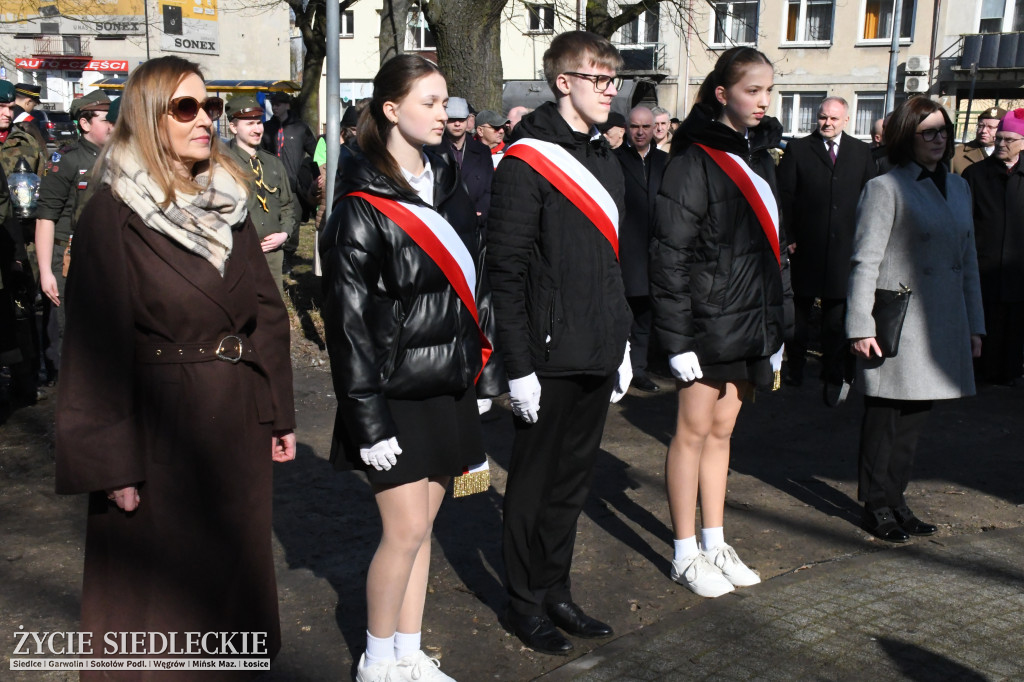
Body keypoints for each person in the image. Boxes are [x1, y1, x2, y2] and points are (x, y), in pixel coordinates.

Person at [54, 56, 297, 677]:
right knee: (162, 611)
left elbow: (265, 312)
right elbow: (93, 348)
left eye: (208, 106)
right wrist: (111, 461)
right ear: (147, 117)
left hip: (237, 421)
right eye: (186, 108)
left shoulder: (229, 202)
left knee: (232, 592)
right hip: (158, 430)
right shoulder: (112, 213)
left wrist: (278, 411)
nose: (205, 120)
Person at [319, 54, 502, 682]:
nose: (444, 113)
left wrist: (484, 377)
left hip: (448, 383)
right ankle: (376, 659)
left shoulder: (447, 180)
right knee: (403, 532)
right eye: (430, 102)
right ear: (391, 110)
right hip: (392, 394)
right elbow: (349, 327)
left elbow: (476, 286)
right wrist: (367, 423)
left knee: (425, 529)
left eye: (446, 101)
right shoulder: (360, 204)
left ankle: (408, 650)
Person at [489, 30, 631, 656]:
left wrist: (622, 342)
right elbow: (506, 272)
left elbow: (612, 261)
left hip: (597, 347)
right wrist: (517, 368)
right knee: (531, 488)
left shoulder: (605, 157)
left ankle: (556, 590)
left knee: (572, 484)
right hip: (545, 358)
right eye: (598, 78)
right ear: (563, 82)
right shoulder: (526, 161)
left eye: (613, 79)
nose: (610, 90)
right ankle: (523, 602)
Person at [652, 46, 787, 598]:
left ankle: (715, 540)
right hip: (705, 323)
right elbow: (670, 255)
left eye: (769, 90)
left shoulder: (762, 158)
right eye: (753, 90)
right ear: (722, 94)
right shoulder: (692, 161)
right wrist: (677, 339)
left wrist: (779, 327)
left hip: (749, 321)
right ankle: (684, 551)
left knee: (723, 432)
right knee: (691, 433)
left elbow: (776, 251)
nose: (763, 101)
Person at [846, 97, 984, 543]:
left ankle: (896, 498)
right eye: (929, 132)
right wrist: (859, 325)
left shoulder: (959, 188)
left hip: (940, 322)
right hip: (897, 322)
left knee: (914, 420)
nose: (939, 139)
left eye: (944, 130)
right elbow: (864, 260)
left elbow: (968, 260)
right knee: (885, 417)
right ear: (908, 136)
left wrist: (974, 324)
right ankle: (876, 505)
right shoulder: (885, 188)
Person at [777, 96, 875, 393]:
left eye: (833, 118)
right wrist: (789, 237)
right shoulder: (798, 149)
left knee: (837, 317)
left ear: (846, 120)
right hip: (806, 248)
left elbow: (869, 198)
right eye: (822, 117)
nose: (827, 123)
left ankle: (833, 370)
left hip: (845, 249)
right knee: (799, 316)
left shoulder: (860, 152)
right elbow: (784, 197)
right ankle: (794, 369)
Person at [34, 90, 113, 385]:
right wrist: (46, 272)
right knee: (67, 329)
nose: (113, 126)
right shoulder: (66, 160)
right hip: (68, 257)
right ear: (85, 123)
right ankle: (66, 389)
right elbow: (46, 217)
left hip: (107, 255)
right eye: (106, 119)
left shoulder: (121, 159)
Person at [961, 108, 1024, 387]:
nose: (1001, 144)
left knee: (1014, 324)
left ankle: (1011, 372)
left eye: (1009, 140)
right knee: (985, 322)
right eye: (999, 138)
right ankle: (981, 371)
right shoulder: (975, 174)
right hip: (983, 266)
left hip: (1018, 268)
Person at [616, 105, 667, 392]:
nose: (640, 132)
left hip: (656, 252)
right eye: (635, 126)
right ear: (627, 128)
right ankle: (617, 370)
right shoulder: (614, 160)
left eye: (646, 127)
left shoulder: (665, 162)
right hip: (625, 250)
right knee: (622, 315)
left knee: (645, 316)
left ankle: (639, 369)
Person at [226, 93, 298, 295]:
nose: (257, 129)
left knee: (273, 305)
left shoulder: (273, 163)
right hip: (237, 252)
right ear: (233, 127)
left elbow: (287, 204)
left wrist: (284, 234)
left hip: (272, 253)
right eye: (249, 124)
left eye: (259, 122)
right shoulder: (222, 163)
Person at [261, 91, 317, 266]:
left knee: (293, 221)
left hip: (293, 185)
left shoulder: (300, 128)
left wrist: (312, 175)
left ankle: (288, 256)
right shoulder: (266, 128)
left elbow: (316, 153)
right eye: (273, 104)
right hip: (270, 184)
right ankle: (273, 254)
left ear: (287, 105)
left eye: (278, 104)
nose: (275, 108)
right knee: (272, 219)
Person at [428, 96, 494, 222]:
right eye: (452, 119)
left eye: (461, 119)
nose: (457, 124)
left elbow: (489, 187)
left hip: (476, 221)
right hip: (443, 220)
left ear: (468, 120)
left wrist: (481, 212)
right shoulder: (431, 150)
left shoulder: (482, 151)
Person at [952, 107, 1004, 176]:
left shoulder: (1012, 154)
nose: (983, 131)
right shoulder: (957, 153)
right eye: (980, 126)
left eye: (990, 127)